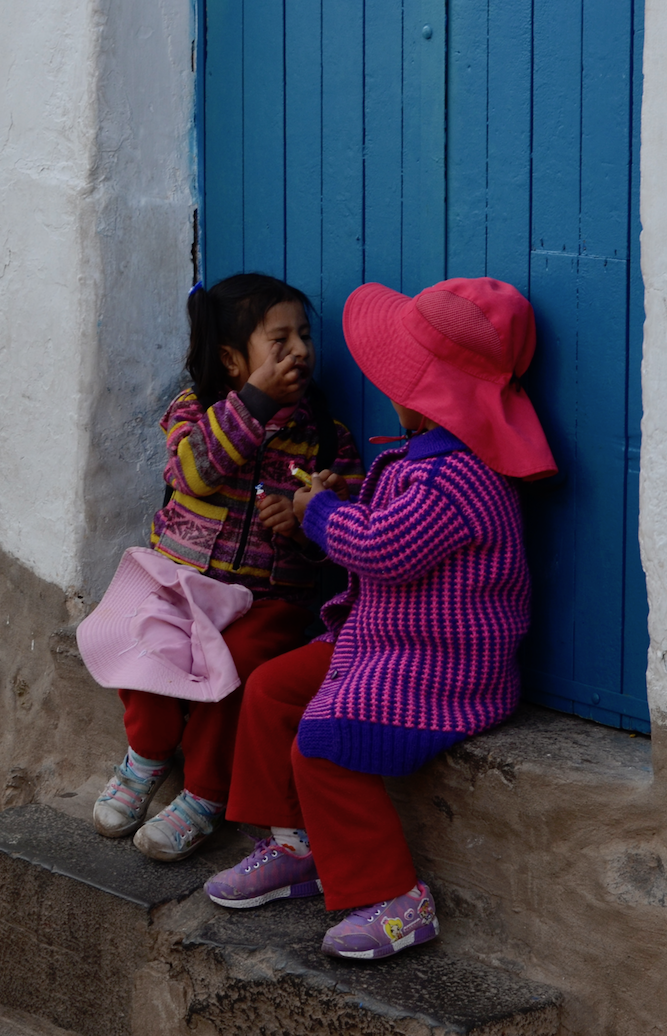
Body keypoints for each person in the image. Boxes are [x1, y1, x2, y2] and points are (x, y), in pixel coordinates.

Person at [202, 276, 556, 960]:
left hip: (443, 665)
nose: (389, 389)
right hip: (387, 641)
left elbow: (384, 549)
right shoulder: (429, 462)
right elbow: (391, 520)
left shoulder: (462, 478)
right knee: (274, 690)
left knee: (324, 739)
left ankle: (395, 897)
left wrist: (322, 514)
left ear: (429, 397)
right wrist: (350, 493)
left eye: (400, 378)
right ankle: (293, 843)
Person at [92, 273, 364, 861]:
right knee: (146, 642)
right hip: (180, 585)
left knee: (236, 665)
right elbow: (193, 473)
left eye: (305, 336)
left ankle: (205, 794)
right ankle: (147, 757)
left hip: (267, 602)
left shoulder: (322, 437)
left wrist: (305, 523)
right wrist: (254, 404)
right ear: (232, 360)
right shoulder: (195, 411)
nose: (300, 350)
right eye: (279, 340)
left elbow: (344, 532)